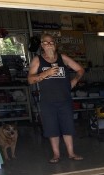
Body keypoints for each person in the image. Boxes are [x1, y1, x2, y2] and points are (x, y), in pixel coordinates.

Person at [28, 33, 85, 163]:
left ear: (55, 44)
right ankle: (56, 154)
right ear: (42, 45)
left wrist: (75, 80)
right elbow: (30, 80)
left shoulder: (62, 58)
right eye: (45, 42)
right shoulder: (38, 60)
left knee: (68, 127)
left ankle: (71, 153)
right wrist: (45, 73)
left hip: (64, 100)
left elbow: (80, 69)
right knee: (51, 128)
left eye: (51, 42)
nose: (49, 45)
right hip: (48, 102)